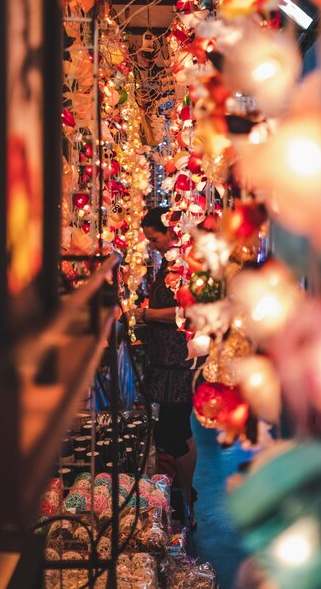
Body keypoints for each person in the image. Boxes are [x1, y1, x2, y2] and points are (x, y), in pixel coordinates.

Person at [131, 206, 197, 527]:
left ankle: (185, 501)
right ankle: (183, 499)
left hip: (177, 365)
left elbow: (180, 313)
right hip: (165, 364)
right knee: (173, 432)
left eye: (155, 239)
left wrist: (144, 315)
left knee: (177, 432)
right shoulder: (169, 263)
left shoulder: (183, 266)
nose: (152, 245)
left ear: (171, 232)